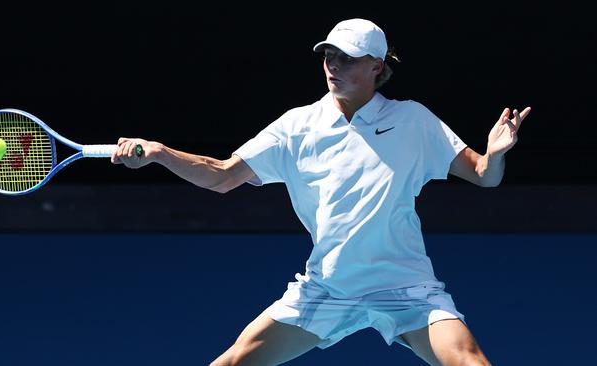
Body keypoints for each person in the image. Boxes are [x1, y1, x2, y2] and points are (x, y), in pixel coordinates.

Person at [112, 18, 530, 366]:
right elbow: (222, 176)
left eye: (347, 58)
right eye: (329, 55)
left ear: (376, 66)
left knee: (471, 362)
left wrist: (494, 154)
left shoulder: (413, 121)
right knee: (233, 362)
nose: (333, 65)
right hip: (328, 288)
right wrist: (160, 154)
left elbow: (483, 175)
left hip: (405, 287)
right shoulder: (296, 126)